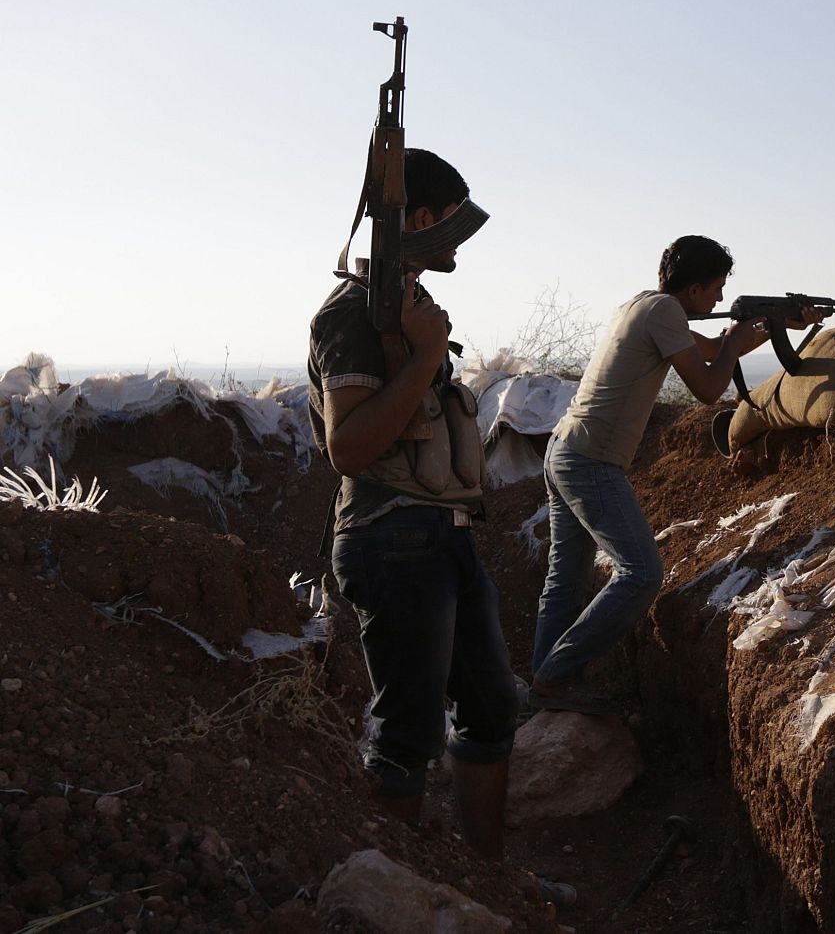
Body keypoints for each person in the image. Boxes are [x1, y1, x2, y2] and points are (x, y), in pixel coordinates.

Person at [307, 148, 520, 859]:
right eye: (452, 224)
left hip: (439, 533)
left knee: (490, 706)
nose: (458, 241)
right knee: (408, 731)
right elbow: (350, 446)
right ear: (421, 219)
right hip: (390, 536)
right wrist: (427, 357)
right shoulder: (349, 314)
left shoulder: (408, 307)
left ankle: (489, 883)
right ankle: (391, 896)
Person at [530, 235, 808, 710]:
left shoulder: (645, 306)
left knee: (566, 576)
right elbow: (707, 386)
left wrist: (775, 326)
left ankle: (543, 683)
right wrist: (736, 344)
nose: (719, 299)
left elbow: (710, 349)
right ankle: (556, 677)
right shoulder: (664, 313)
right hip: (590, 460)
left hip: (565, 450)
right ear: (695, 288)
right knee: (640, 574)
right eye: (716, 289)